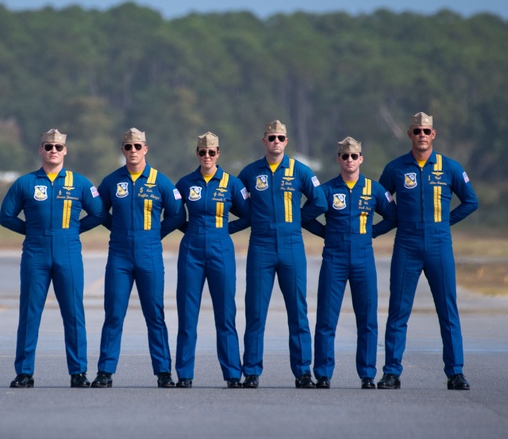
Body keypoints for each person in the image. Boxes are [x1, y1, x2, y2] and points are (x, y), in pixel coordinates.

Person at [374, 112, 479, 390]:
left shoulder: (450, 167)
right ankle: (391, 372)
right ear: (409, 134)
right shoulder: (396, 168)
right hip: (407, 245)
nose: (421, 135)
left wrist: (445, 222)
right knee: (398, 310)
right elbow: (377, 199)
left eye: (426, 131)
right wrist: (396, 219)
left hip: (439, 244)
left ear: (434, 134)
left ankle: (455, 372)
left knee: (447, 310)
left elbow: (471, 201)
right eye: (417, 131)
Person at [0, 129, 103, 388]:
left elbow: (99, 214)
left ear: (65, 150)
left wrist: (75, 230)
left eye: (58, 147)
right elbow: (6, 216)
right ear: (40, 150)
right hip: (36, 252)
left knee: (73, 312)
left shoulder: (80, 183)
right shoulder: (25, 183)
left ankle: (78, 372)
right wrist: (31, 231)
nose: (53, 151)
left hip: (68, 252)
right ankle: (24, 372)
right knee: (30, 312)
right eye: (48, 147)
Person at [81, 128, 184, 388]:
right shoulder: (112, 181)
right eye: (128, 147)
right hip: (119, 255)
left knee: (154, 314)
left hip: (149, 253)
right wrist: (117, 228)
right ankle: (105, 371)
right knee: (114, 314)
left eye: (138, 146)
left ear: (146, 149)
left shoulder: (160, 181)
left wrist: (156, 234)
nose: (133, 151)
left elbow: (177, 214)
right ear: (123, 150)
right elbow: (98, 211)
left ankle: (163, 371)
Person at [229, 120, 325, 389]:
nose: (275, 142)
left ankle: (303, 371)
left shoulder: (300, 171)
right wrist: (252, 219)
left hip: (291, 245)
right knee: (255, 311)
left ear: (286, 141)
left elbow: (320, 201)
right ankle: (251, 371)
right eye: (271, 137)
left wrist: (297, 220)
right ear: (264, 141)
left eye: (280, 137)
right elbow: (237, 202)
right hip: (260, 246)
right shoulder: (250, 172)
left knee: (297, 311)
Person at [301, 137, 396, 389]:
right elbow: (305, 216)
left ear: (361, 158)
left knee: (367, 319)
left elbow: (393, 216)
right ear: (338, 159)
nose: (350, 161)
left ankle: (367, 374)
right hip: (334, 258)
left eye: (354, 156)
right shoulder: (327, 190)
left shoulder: (374, 189)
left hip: (364, 258)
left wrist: (372, 233)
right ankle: (323, 373)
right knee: (326, 318)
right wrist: (326, 233)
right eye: (345, 156)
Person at [173, 132, 249, 388]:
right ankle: (184, 374)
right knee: (187, 313)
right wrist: (193, 230)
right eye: (202, 152)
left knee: (226, 314)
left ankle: (231, 374)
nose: (207, 156)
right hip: (191, 250)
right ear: (197, 153)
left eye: (212, 152)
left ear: (218, 154)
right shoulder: (185, 183)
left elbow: (248, 215)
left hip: (221, 249)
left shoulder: (232, 183)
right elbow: (174, 216)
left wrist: (224, 231)